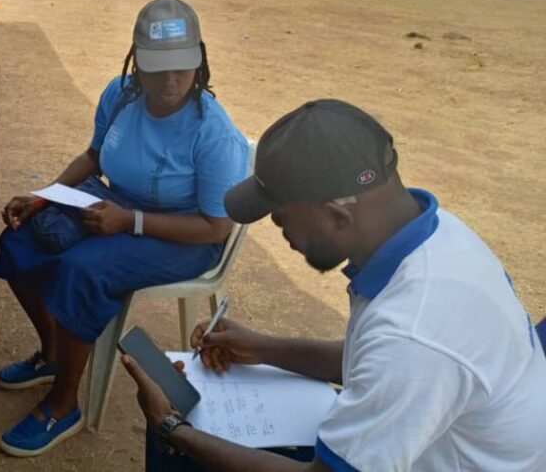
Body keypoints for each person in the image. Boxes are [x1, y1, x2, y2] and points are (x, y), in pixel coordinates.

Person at [124, 99, 546, 472]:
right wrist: (263, 348)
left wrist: (172, 430)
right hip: (430, 445)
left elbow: (397, 358)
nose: (276, 225)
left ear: (338, 216)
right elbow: (372, 360)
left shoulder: (413, 335)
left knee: (181, 444)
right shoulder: (439, 235)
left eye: (280, 213)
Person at [0, 0, 249, 457]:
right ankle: (52, 354)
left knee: (82, 271)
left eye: (182, 67)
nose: (170, 81)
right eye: (156, 69)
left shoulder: (213, 133)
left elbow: (214, 227)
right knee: (20, 237)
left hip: (186, 234)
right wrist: (43, 196)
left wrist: (129, 222)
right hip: (118, 204)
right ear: (136, 61)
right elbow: (93, 158)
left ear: (201, 60)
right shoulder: (121, 94)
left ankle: (64, 403)